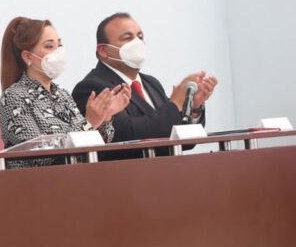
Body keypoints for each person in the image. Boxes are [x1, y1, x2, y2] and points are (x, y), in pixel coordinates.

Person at [0, 16, 131, 167]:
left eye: (59, 45)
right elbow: (37, 157)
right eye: (49, 46)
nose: (58, 52)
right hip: (39, 181)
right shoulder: (14, 96)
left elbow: (96, 146)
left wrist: (104, 118)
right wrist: (89, 122)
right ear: (28, 56)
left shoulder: (62, 94)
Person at [71, 13, 216, 147]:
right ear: (103, 50)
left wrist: (192, 107)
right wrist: (176, 104)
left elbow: (180, 139)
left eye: (140, 37)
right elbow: (123, 135)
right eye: (127, 38)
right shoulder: (92, 87)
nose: (137, 43)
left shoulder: (152, 83)